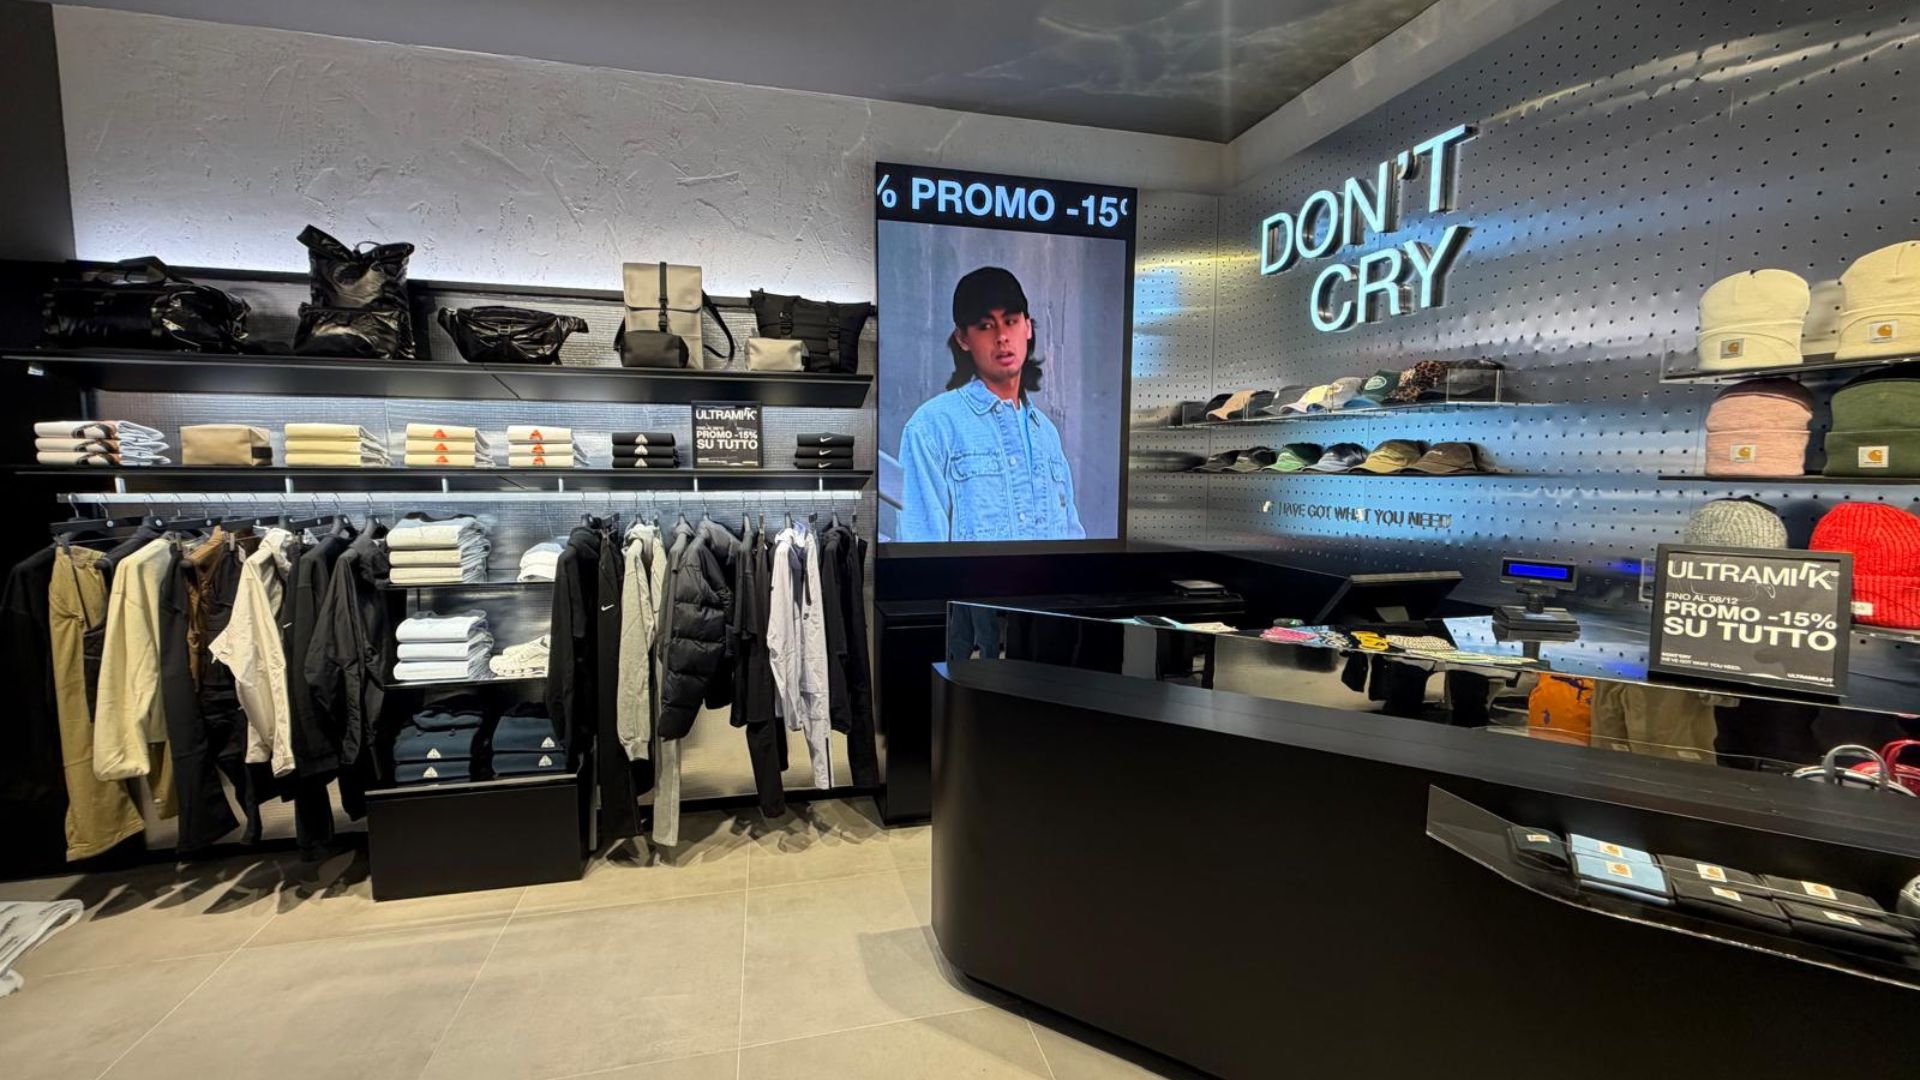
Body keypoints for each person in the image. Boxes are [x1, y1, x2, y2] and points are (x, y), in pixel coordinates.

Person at [896, 266, 1084, 543]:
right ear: (963, 339)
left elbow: (1072, 543)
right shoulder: (931, 428)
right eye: (985, 326)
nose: (1002, 336)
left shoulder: (1046, 434)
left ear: (1027, 327)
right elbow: (920, 551)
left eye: (1011, 321)